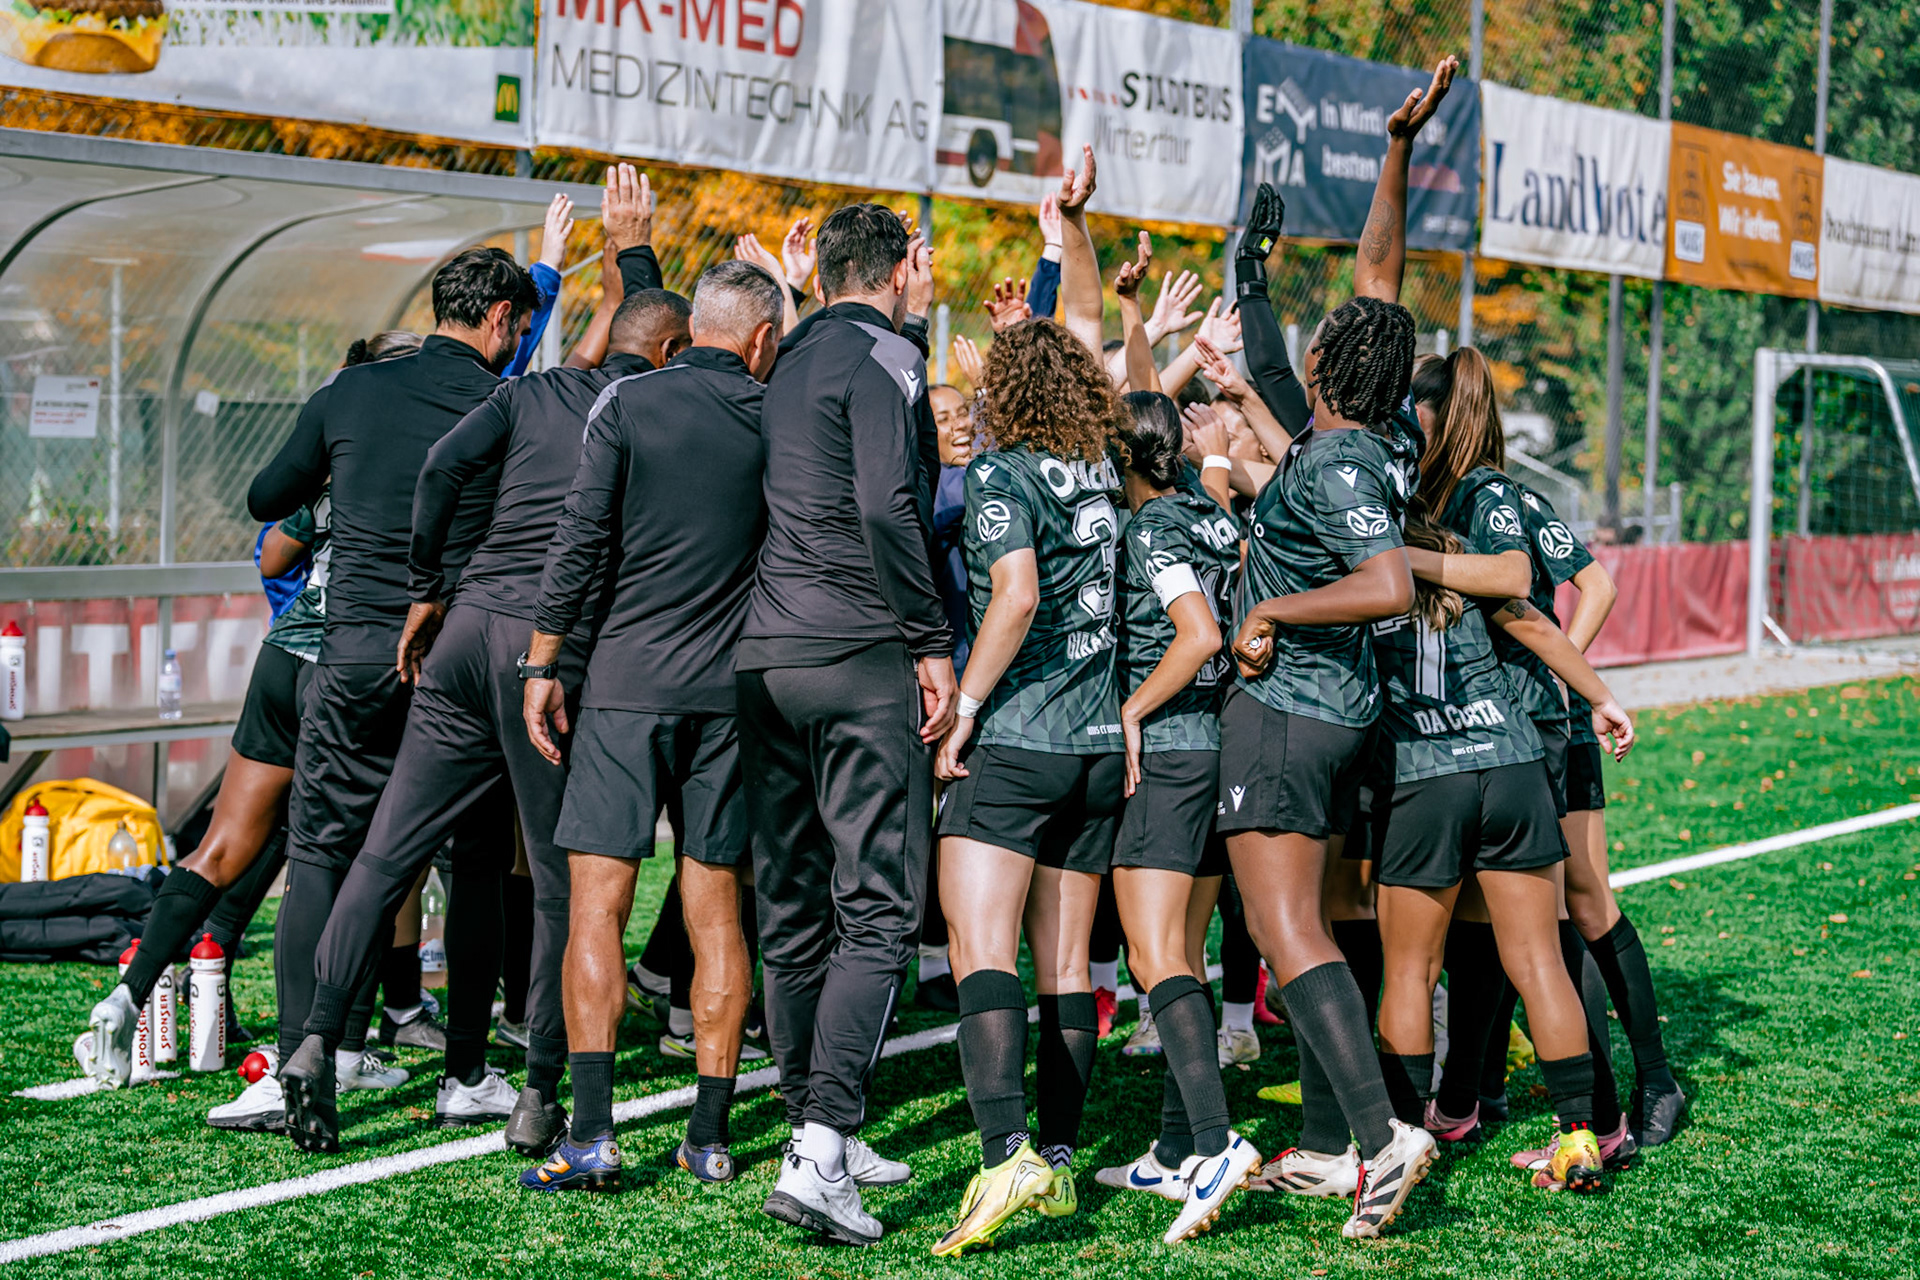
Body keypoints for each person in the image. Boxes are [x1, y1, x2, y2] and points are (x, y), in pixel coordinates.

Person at [276, 170, 674, 1156]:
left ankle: (316, 1039)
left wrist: (426, 586)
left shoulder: (530, 391)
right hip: (543, 657)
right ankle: (535, 1088)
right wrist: (633, 256)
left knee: (386, 851)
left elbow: (444, 465)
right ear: (667, 356)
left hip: (459, 640)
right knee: (554, 879)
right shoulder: (646, 409)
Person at [244, 245, 538, 1149]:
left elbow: (266, 495)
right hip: (455, 662)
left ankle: (303, 1056)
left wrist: (345, 469)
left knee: (322, 851)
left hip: (352, 656)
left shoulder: (350, 391)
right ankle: (465, 1075)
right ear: (499, 319)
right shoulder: (505, 405)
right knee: (477, 864)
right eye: (520, 325)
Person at [86, 333, 427, 1112]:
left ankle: (127, 997)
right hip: (353, 667)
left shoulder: (338, 454)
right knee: (359, 864)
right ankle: (336, 1049)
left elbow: (273, 557)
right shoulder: (422, 453)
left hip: (283, 655)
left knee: (221, 847)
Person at [514, 260, 783, 1194]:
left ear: (689, 332)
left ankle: (592, 1134)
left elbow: (578, 540)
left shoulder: (627, 403)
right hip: (730, 697)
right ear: (761, 340)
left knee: (597, 907)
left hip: (625, 687)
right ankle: (708, 1138)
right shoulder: (775, 415)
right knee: (718, 915)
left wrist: (543, 664)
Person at [734, 202, 954, 1247]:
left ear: (819, 275)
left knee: (790, 901)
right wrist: (930, 639)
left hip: (765, 655)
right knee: (878, 905)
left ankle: (814, 1123)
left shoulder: (782, 357)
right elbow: (886, 503)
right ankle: (821, 1148)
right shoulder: (889, 353)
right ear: (902, 270)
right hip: (856, 652)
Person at [928, 147, 1131, 1257]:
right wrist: (1073, 231)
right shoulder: (1099, 454)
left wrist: (964, 706)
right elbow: (1085, 321)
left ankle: (1005, 1154)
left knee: (980, 947)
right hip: (1099, 743)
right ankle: (1053, 1154)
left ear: (1003, 395)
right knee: (1065, 967)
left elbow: (1012, 595)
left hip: (1018, 738)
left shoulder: (1002, 472)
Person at [1370, 506, 1637, 1192]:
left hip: (1425, 773)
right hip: (1511, 764)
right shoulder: (1472, 569)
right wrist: (1601, 697)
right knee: (1539, 961)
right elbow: (1536, 625)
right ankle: (1578, 1137)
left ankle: (1402, 1143)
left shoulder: (1363, 571)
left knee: (1411, 971)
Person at [1091, 388, 1262, 1243]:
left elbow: (1197, 634)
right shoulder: (1206, 514)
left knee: (1154, 956)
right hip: (1216, 747)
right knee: (1183, 956)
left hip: (1167, 753)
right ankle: (1172, 1150)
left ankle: (1217, 1144)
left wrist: (1132, 708)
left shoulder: (1153, 526)